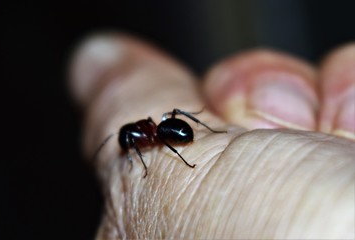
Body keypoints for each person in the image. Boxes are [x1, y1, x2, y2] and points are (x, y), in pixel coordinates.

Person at [70, 33, 354, 239]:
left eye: (130, 144)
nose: (132, 148)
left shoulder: (150, 133)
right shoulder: (141, 135)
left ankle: (209, 128)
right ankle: (209, 128)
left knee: (172, 122)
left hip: (174, 131)